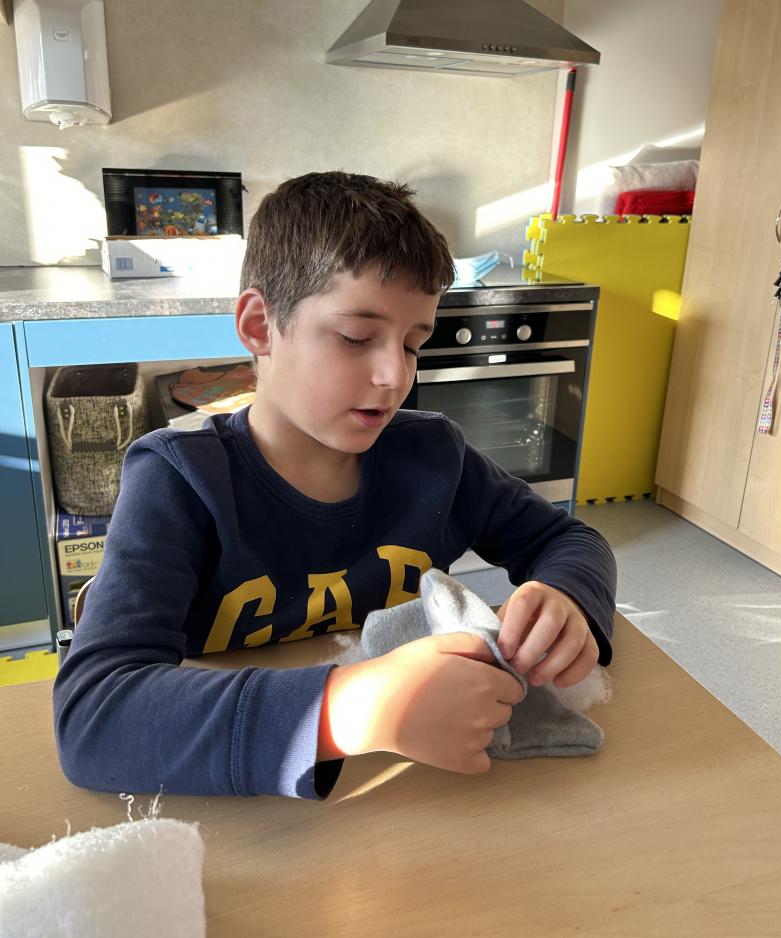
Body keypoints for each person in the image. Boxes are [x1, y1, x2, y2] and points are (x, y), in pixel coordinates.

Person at [53, 171, 616, 800]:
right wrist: (348, 710)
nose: (394, 375)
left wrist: (565, 598)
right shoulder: (179, 482)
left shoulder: (435, 457)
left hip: (422, 808)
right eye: (356, 337)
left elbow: (571, 540)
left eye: (413, 345)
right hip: (251, 814)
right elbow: (94, 718)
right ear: (260, 326)